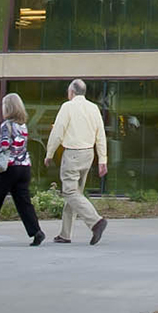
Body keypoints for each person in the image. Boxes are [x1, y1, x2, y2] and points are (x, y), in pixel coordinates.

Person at [0, 93, 45, 247]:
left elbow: (4, 144)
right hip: (24, 167)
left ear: (9, 107)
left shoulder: (7, 125)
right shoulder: (23, 125)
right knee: (23, 202)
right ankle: (36, 231)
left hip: (8, 168)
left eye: (4, 105)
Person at [44, 79, 109, 245]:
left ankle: (96, 221)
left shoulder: (68, 107)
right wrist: (102, 159)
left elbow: (58, 131)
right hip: (88, 154)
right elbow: (100, 134)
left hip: (72, 153)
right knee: (75, 193)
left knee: (70, 192)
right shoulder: (94, 108)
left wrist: (49, 153)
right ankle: (65, 234)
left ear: (72, 92)